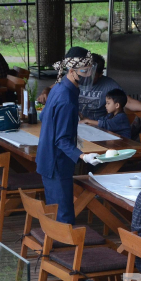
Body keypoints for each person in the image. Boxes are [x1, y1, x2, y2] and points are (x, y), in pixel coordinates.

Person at [35, 52, 103, 224]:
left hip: (48, 157)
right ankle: (62, 249)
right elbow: (61, 140)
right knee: (63, 217)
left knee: (56, 212)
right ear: (71, 71)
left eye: (90, 70)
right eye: (84, 71)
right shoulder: (66, 98)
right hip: (57, 162)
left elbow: (43, 117)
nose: (88, 75)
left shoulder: (58, 87)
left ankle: (53, 247)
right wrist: (83, 155)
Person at [37, 49, 141, 119]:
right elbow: (54, 87)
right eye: (85, 71)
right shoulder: (74, 79)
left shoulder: (109, 85)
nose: (87, 76)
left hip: (97, 127)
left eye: (91, 74)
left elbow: (127, 101)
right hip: (77, 123)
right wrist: (45, 92)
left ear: (100, 74)